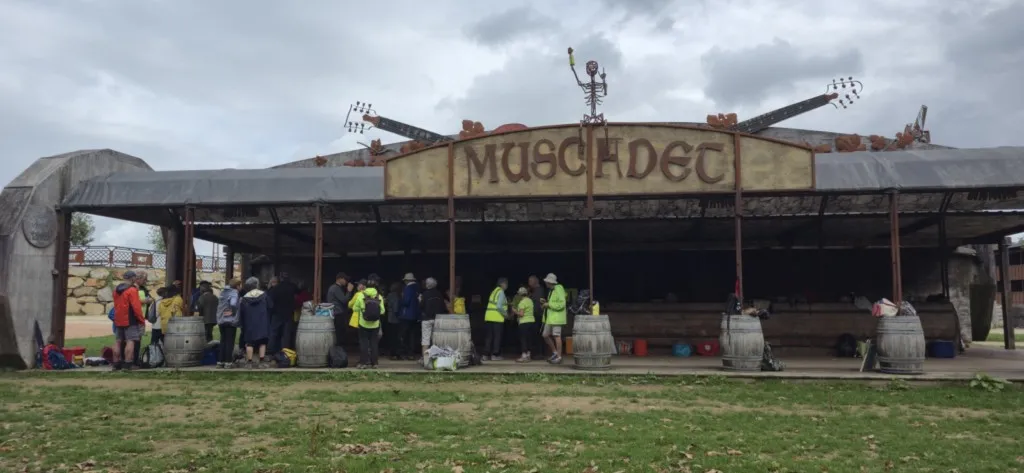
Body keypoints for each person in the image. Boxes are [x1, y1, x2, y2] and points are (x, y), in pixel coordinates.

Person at [111, 271, 144, 371]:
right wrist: (141, 319)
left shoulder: (116, 290)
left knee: (118, 341)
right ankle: (128, 364)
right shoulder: (132, 290)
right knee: (131, 341)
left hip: (118, 319)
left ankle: (116, 363)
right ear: (132, 278)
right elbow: (136, 307)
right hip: (130, 319)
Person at [238, 276, 273, 368]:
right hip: (262, 322)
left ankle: (249, 362)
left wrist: (242, 323)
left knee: (249, 342)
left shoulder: (244, 298)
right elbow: (270, 306)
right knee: (262, 342)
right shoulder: (264, 295)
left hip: (249, 323)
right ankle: (261, 361)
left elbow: (241, 312)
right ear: (257, 285)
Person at [352, 274, 385, 369]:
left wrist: (362, 310)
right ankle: (375, 363)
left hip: (363, 324)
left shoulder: (361, 295)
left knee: (364, 343)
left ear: (366, 286)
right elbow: (382, 311)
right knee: (374, 343)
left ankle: (363, 363)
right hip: (375, 324)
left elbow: (355, 308)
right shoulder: (379, 296)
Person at [267, 272, 298, 353]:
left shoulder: (276, 288)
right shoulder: (293, 287)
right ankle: (285, 351)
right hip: (288, 313)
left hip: (277, 313)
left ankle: (270, 350)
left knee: (274, 332)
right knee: (286, 334)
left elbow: (271, 301)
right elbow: (297, 295)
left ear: (280, 278)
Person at [541, 273, 567, 364]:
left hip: (557, 318)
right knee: (545, 335)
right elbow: (553, 302)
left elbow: (562, 304)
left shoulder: (559, 288)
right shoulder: (552, 290)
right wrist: (546, 302)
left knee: (556, 336)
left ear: (550, 282)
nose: (545, 283)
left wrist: (548, 304)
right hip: (550, 318)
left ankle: (559, 357)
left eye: (546, 281)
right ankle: (555, 352)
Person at [216, 278, 242, 368]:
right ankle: (228, 362)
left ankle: (220, 361)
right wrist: (233, 312)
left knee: (223, 341)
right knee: (229, 342)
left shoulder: (223, 292)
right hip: (230, 320)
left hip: (221, 319)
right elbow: (233, 303)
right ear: (237, 286)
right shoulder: (234, 292)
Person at [482, 277, 509, 361]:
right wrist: (506, 315)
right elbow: (499, 306)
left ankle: (485, 355)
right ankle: (495, 355)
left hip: (489, 317)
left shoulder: (494, 291)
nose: (507, 286)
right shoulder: (501, 292)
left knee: (488, 337)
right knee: (497, 337)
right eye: (506, 284)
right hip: (497, 318)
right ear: (502, 284)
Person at [419, 277, 445, 359]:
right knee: (436, 339)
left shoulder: (424, 294)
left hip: (426, 319)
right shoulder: (439, 294)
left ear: (427, 285)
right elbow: (442, 306)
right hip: (437, 319)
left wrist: (419, 300)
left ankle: (425, 359)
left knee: (425, 339)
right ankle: (436, 358)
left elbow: (421, 306)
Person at [398, 273, 421, 361]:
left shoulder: (407, 288)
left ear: (406, 281)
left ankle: (405, 352)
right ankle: (412, 353)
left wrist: (400, 300)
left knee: (404, 335)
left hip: (406, 315)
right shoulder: (417, 288)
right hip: (415, 315)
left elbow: (406, 302)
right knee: (412, 335)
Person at [514, 286, 536, 363]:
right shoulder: (530, 301)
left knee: (523, 339)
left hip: (524, 323)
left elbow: (521, 314)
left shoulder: (522, 302)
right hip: (532, 322)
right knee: (529, 339)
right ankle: (529, 355)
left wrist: (515, 311)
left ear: (520, 295)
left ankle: (524, 356)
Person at [528, 276, 547, 359]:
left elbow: (538, 305)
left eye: (530, 281)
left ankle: (539, 353)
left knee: (538, 335)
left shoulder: (539, 290)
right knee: (535, 335)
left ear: (536, 281)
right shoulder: (535, 291)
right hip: (536, 316)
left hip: (538, 316)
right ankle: (537, 353)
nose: (529, 283)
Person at [385, 281, 403, 360]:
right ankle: (395, 354)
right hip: (395, 319)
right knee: (396, 337)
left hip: (390, 317)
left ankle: (392, 353)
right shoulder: (395, 295)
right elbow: (395, 308)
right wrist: (399, 315)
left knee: (391, 336)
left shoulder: (389, 295)